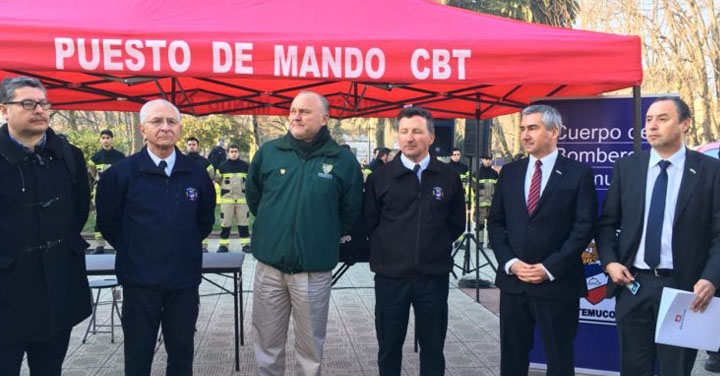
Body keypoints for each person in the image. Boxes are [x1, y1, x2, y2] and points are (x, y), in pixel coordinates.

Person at [596, 96, 720, 376]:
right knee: (633, 369)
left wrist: (711, 278)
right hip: (633, 285)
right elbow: (606, 224)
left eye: (662, 119)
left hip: (683, 290)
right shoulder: (628, 167)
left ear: (685, 124)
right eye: (649, 119)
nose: (652, 126)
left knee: (674, 371)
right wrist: (610, 263)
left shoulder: (710, 171)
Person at [246, 90, 363, 376]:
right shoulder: (269, 153)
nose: (296, 116)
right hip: (270, 267)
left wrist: (320, 235)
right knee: (266, 345)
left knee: (310, 349)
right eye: (293, 110)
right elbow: (254, 199)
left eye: (304, 111)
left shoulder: (342, 161)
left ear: (324, 118)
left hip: (312, 271)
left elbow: (350, 212)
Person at [96, 99, 216, 376]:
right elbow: (109, 223)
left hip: (183, 281)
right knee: (138, 354)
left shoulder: (196, 172)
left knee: (182, 351)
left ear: (180, 128)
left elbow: (204, 221)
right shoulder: (120, 174)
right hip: (139, 281)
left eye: (171, 122)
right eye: (157, 122)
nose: (165, 128)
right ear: (142, 128)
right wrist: (136, 249)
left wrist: (180, 245)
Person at [487, 104, 598, 376]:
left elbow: (583, 227)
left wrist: (549, 268)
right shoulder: (510, 172)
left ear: (554, 131)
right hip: (514, 283)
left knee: (559, 360)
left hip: (556, 284)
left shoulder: (578, 173)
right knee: (512, 359)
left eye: (532, 128)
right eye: (523, 128)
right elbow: (496, 222)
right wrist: (510, 262)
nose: (525, 134)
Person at [0, 76, 92, 375]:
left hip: (56, 292)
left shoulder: (69, 156)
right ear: (4, 110)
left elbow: (77, 213)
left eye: (43, 103)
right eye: (28, 103)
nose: (39, 109)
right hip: (7, 295)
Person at [364, 106, 465, 375]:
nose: (409, 138)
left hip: (433, 277)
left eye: (417, 132)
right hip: (390, 278)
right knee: (388, 348)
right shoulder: (379, 178)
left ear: (431, 137)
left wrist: (433, 247)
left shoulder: (449, 177)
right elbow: (369, 222)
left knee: (433, 349)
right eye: (404, 131)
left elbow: (456, 224)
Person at [88, 129, 125, 254]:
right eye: (103, 137)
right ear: (100, 140)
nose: (105, 140)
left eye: (108, 137)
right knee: (99, 217)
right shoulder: (95, 157)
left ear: (112, 139)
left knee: (117, 216)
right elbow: (92, 173)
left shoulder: (120, 156)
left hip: (116, 191)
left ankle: (118, 245)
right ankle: (99, 246)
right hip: (100, 191)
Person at [216, 144, 250, 253]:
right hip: (227, 201)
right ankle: (223, 246)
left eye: (236, 151)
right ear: (228, 153)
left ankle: (245, 245)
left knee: (243, 224)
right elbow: (217, 179)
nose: (234, 153)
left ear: (238, 152)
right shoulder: (222, 167)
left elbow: (250, 180)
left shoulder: (245, 166)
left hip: (242, 201)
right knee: (225, 224)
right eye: (232, 151)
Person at [186, 136, 215, 252]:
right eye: (189, 144)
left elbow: (211, 175)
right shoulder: (181, 160)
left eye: (194, 144)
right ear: (186, 146)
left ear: (198, 146)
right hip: (186, 193)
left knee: (201, 217)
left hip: (201, 194)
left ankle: (203, 245)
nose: (191, 146)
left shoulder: (205, 162)